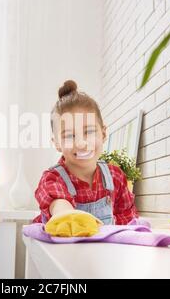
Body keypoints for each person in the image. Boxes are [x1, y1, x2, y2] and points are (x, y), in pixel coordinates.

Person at [34, 80, 138, 229]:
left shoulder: (116, 177)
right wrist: (67, 215)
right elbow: (60, 206)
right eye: (69, 135)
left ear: (103, 133)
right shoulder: (52, 179)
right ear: (56, 143)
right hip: (63, 251)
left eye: (89, 132)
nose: (81, 144)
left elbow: (127, 221)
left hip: (103, 251)